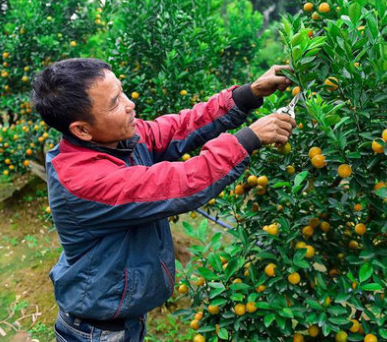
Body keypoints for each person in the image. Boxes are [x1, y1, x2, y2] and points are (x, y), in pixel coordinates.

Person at [30, 58, 296, 341]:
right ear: (81, 129)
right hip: (96, 331)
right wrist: (247, 139)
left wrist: (248, 94)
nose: (130, 103)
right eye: (114, 103)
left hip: (121, 317)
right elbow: (179, 183)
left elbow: (178, 127)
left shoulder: (118, 140)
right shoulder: (84, 180)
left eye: (122, 92)